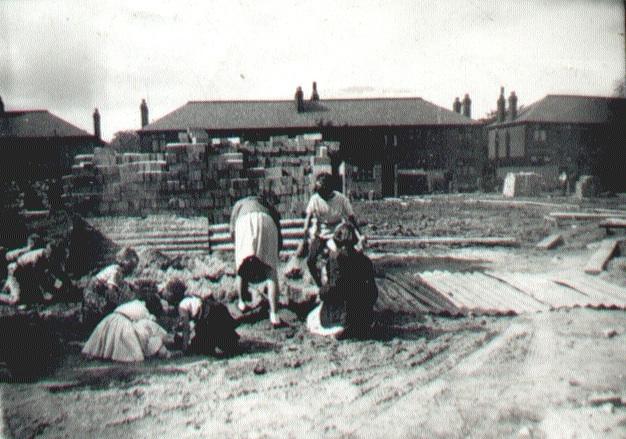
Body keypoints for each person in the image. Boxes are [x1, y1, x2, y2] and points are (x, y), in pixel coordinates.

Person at [306, 223, 378, 339]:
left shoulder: (336, 260)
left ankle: (342, 328)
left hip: (343, 315)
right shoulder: (365, 261)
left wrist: (321, 292)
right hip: (364, 315)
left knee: (311, 318)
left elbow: (334, 288)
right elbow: (373, 293)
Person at [230, 191, 283, 327]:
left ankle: (242, 303)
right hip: (267, 222)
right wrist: (274, 255)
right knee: (271, 271)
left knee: (241, 267)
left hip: (243, 223)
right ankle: (274, 315)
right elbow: (278, 232)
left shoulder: (239, 205)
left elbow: (232, 232)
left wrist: (240, 251)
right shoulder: (268, 206)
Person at [300, 172, 361, 287]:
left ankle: (335, 286)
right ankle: (320, 286)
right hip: (320, 233)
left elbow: (351, 217)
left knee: (334, 260)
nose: (321, 196)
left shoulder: (341, 199)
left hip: (336, 234)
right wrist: (305, 233)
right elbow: (308, 217)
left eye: (323, 193)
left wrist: (359, 234)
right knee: (310, 261)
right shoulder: (315, 199)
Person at [81, 296, 171, 362]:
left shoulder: (136, 303)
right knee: (133, 355)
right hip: (122, 322)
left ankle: (101, 356)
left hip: (110, 318)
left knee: (104, 344)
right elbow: (151, 329)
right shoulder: (147, 315)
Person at [82, 247, 139, 330]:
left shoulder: (116, 269)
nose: (132, 270)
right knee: (108, 310)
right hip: (93, 292)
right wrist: (118, 307)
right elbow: (111, 290)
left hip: (97, 290)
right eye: (132, 267)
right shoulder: (116, 272)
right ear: (126, 264)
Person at [0, 242, 67, 305]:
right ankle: (6, 288)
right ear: (48, 254)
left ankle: (8, 286)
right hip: (16, 274)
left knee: (35, 297)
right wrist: (57, 290)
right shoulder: (37, 259)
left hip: (27, 274)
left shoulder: (49, 257)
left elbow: (58, 274)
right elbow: (43, 282)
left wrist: (64, 286)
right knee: (17, 300)